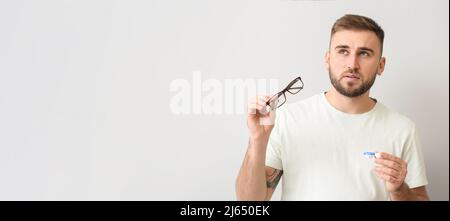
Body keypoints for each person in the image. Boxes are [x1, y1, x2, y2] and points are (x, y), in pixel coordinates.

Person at [235, 14, 429, 200]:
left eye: (364, 53)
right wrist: (257, 140)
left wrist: (399, 190)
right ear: (327, 59)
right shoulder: (287, 119)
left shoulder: (402, 129)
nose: (352, 64)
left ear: (381, 65)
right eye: (343, 51)